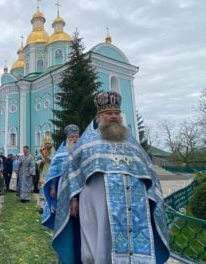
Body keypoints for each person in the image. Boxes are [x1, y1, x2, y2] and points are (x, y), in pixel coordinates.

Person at [52, 91, 170, 263]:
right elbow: (72, 170)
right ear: (99, 115)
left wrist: (152, 195)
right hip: (97, 203)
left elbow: (147, 169)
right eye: (109, 113)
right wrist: (73, 199)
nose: (114, 116)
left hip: (133, 204)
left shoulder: (130, 140)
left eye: (116, 113)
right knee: (99, 241)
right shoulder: (88, 139)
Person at [41, 124, 80, 229]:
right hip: (62, 186)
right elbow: (54, 172)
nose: (75, 139)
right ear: (67, 138)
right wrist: (53, 187)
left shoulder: (82, 151)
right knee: (63, 211)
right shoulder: (60, 153)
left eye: (77, 137)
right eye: (72, 137)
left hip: (79, 188)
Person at [36, 136, 55, 213]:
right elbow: (37, 160)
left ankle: (50, 206)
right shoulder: (41, 150)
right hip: (43, 172)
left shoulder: (53, 150)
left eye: (48, 143)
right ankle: (42, 207)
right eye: (46, 143)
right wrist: (41, 161)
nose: (47, 145)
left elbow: (54, 160)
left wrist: (48, 158)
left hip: (50, 172)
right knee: (42, 188)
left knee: (50, 189)